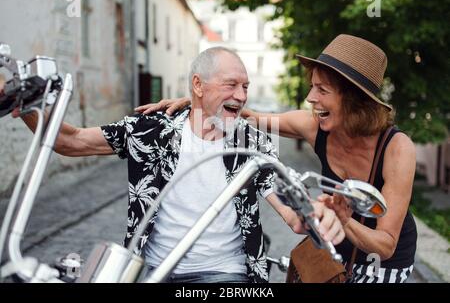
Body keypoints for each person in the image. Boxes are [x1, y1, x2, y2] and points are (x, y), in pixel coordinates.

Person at [4, 46, 344, 283]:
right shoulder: (150, 130)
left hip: (224, 272)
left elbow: (289, 212)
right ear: (198, 85)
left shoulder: (251, 141)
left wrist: (313, 217)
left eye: (245, 87)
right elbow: (70, 140)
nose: (241, 96)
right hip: (153, 268)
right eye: (231, 85)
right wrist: (27, 106)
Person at [137, 35, 418, 283]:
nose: (310, 97)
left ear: (353, 99)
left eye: (322, 90)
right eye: (312, 87)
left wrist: (341, 219)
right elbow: (249, 115)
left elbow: (386, 245)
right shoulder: (313, 126)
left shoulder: (396, 148)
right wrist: (197, 101)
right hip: (334, 254)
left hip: (382, 265)